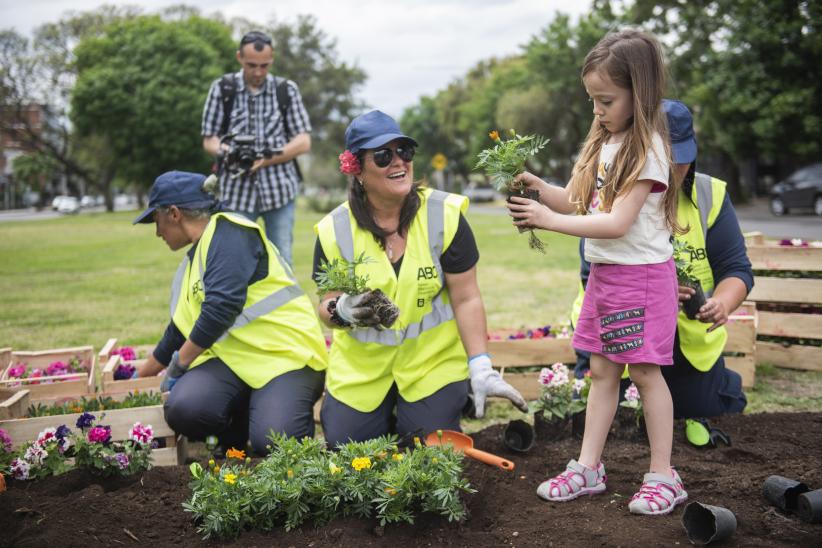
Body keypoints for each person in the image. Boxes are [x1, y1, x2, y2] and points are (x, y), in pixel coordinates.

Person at [505, 30, 687, 515]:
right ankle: (588, 467)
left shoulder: (647, 148)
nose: (597, 110)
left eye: (606, 100)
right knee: (603, 371)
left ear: (639, 92)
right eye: (592, 100)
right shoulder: (602, 143)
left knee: (646, 374)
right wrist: (542, 190)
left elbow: (616, 222)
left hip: (644, 279)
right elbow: (578, 201)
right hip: (607, 278)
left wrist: (550, 222)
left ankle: (664, 475)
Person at [313, 110, 527, 448]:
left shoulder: (445, 215)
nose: (398, 162)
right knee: (349, 455)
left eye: (404, 151)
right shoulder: (334, 229)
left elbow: (466, 297)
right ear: (357, 169)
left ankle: (443, 403)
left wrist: (481, 365)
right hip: (361, 373)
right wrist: (343, 308)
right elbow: (325, 305)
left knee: (428, 450)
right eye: (383, 155)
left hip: (431, 366)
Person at [571, 100, 752, 419]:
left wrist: (721, 303)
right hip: (617, 333)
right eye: (663, 160)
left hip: (686, 344)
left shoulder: (710, 194)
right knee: (617, 422)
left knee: (696, 414)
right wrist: (662, 290)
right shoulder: (611, 188)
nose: (671, 171)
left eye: (680, 160)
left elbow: (736, 269)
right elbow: (593, 274)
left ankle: (721, 385)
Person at [133, 170, 328, 455]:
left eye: (157, 220)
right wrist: (141, 376)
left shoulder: (231, 234)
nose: (157, 231)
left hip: (286, 358)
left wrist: (179, 366)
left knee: (274, 443)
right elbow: (180, 329)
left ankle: (270, 413)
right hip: (237, 363)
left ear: (174, 213)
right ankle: (238, 427)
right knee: (185, 408)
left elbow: (220, 309)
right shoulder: (198, 256)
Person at [201, 30, 312, 266]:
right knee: (236, 263)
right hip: (235, 192)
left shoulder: (286, 90)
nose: (258, 72)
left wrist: (269, 158)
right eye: (252, 65)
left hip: (279, 191)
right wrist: (228, 152)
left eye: (265, 65)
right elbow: (209, 139)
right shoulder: (222, 88)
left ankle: (281, 305)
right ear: (239, 57)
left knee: (282, 261)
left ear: (271, 60)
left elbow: (303, 141)